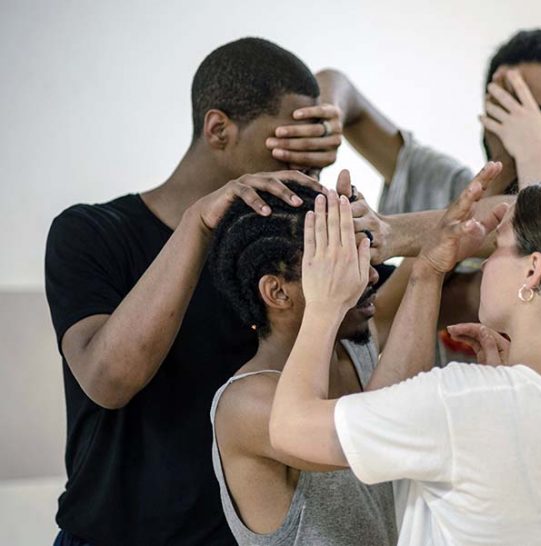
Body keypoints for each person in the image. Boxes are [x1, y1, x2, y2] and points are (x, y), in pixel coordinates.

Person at [42, 37, 348, 546]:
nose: (301, 155)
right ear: (218, 129)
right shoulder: (91, 232)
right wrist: (197, 226)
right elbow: (108, 379)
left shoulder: (275, 249)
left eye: (310, 135)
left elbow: (379, 289)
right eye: (286, 136)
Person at [267, 171, 541, 545]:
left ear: (533, 270)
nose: (485, 264)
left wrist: (324, 303)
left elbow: (289, 428)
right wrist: (428, 271)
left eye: (498, 246)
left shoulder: (464, 402)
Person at [269, 27, 541, 324]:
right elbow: (343, 90)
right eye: (509, 103)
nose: (521, 122)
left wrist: (392, 231)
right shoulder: (452, 188)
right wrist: (325, 114)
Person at [208, 178, 402, 545]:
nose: (371, 274)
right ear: (277, 291)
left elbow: (398, 398)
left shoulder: (352, 347)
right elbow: (381, 438)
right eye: (342, 261)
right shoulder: (247, 404)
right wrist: (328, 304)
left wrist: (430, 270)